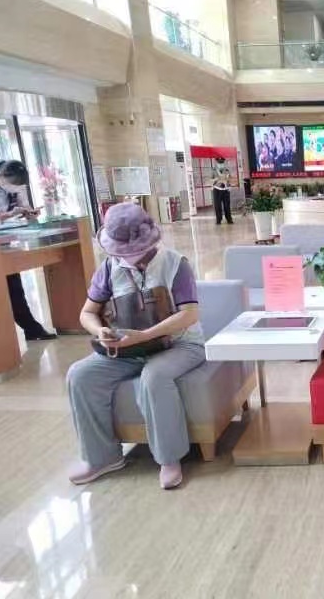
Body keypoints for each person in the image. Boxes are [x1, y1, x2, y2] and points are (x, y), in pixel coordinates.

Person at [66, 203, 205, 490]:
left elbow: (189, 315)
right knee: (80, 375)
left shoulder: (175, 264)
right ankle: (102, 457)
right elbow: (88, 312)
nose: (126, 256)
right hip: (127, 349)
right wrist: (100, 331)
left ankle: (169, 458)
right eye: (120, 251)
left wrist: (143, 336)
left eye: (132, 250)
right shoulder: (109, 267)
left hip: (179, 345)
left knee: (154, 377)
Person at [0, 160, 57, 341]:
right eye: (11, 185)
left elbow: (24, 205)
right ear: (0, 176)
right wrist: (9, 214)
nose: (14, 189)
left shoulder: (17, 185)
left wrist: (29, 212)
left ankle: (31, 329)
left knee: (14, 286)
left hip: (4, 241)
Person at [211, 157, 233, 225]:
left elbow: (231, 179)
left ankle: (229, 219)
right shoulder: (213, 170)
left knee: (227, 205)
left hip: (225, 189)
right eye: (219, 163)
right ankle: (218, 219)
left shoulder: (227, 170)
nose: (221, 164)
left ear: (224, 163)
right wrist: (215, 179)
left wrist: (229, 183)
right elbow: (210, 179)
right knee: (217, 206)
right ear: (217, 163)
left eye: (222, 163)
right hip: (217, 189)